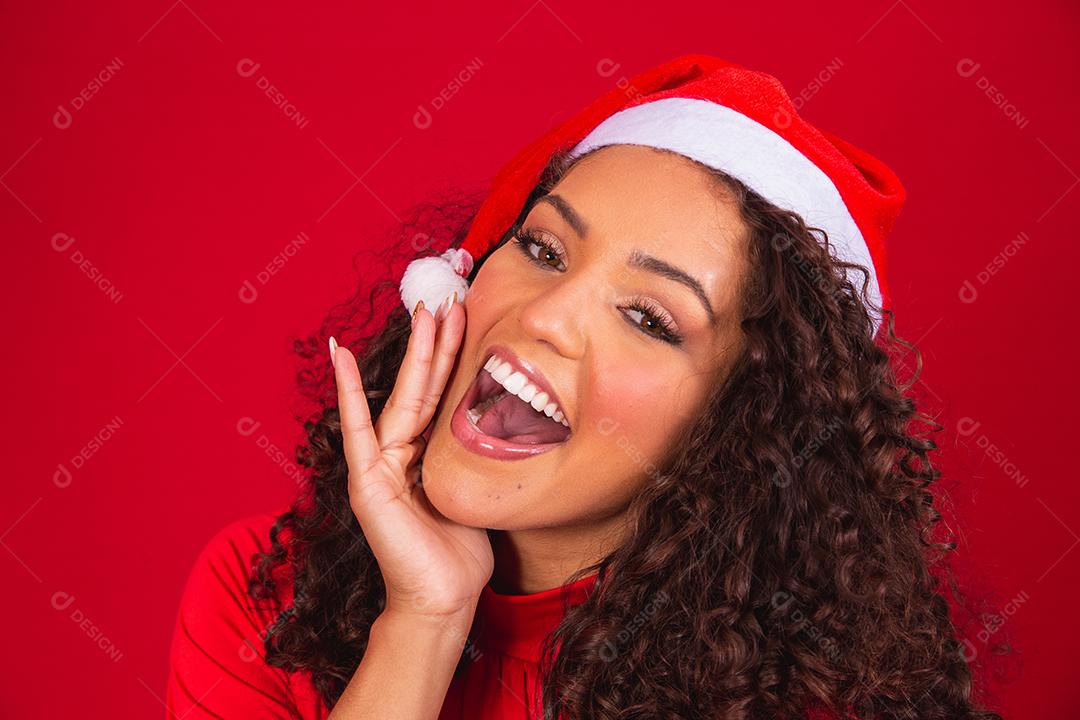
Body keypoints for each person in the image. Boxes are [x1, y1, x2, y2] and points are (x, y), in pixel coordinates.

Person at [166, 54, 1005, 719]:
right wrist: (422, 621)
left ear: (739, 427)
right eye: (542, 250)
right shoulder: (260, 599)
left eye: (648, 318)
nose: (549, 316)